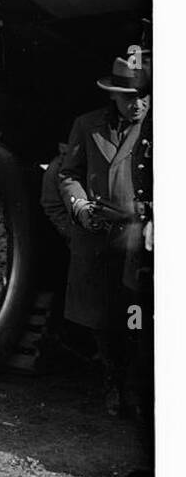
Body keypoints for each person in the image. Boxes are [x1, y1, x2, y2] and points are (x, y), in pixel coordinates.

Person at [58, 54, 152, 417]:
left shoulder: (162, 126)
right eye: (129, 97)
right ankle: (112, 382)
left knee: (138, 315)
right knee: (102, 318)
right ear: (113, 95)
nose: (138, 104)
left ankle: (138, 389)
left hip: (139, 237)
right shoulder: (87, 125)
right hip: (97, 236)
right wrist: (79, 207)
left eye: (144, 96)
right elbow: (69, 174)